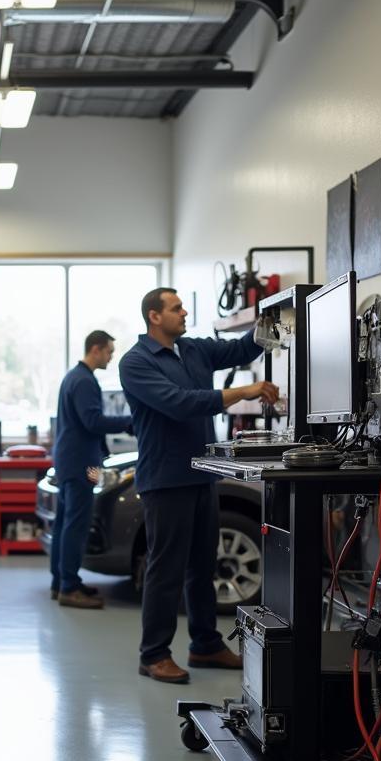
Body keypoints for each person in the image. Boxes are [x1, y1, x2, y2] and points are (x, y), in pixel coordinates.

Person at [119, 288, 278, 684]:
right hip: (165, 479)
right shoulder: (136, 362)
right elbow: (179, 402)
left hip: (201, 476)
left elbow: (242, 350)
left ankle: (205, 644)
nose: (184, 312)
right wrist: (243, 391)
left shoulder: (193, 350)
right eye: (176, 308)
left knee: (202, 566)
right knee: (166, 570)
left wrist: (269, 315)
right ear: (154, 317)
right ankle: (153, 655)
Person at [50, 330, 133, 609]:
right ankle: (69, 588)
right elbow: (92, 421)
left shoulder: (73, 377)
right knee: (77, 525)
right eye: (109, 351)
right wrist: (128, 422)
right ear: (96, 349)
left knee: (65, 523)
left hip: (68, 460)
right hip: (82, 465)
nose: (111, 357)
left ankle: (60, 581)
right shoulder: (84, 381)